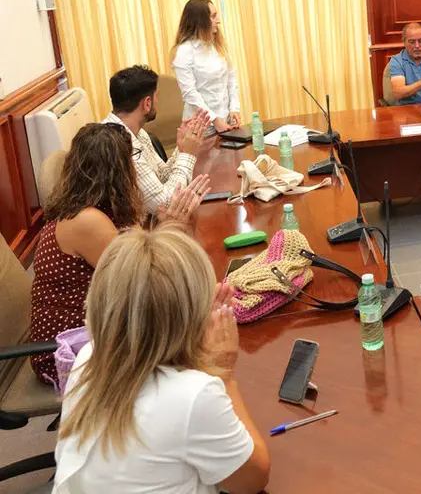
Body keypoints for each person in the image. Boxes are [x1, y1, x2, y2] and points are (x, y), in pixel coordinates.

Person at [53, 227, 270, 493]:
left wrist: (192, 332)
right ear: (189, 316)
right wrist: (225, 375)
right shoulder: (194, 396)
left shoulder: (88, 356)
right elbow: (252, 480)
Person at [29, 123, 208, 387]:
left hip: (105, 325)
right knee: (187, 329)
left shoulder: (102, 208)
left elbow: (137, 254)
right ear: (118, 169)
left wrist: (162, 227)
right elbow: (144, 279)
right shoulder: (86, 220)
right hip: (71, 348)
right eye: (132, 159)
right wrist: (172, 228)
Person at [105, 65, 212, 212]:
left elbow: (161, 176)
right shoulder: (119, 144)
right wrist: (188, 154)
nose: (158, 102)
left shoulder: (138, 133)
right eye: (157, 97)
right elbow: (165, 204)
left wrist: (182, 147)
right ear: (147, 103)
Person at [172, 0, 241, 133]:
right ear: (200, 20)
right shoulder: (184, 51)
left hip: (225, 121)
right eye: (213, 16)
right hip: (201, 127)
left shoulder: (217, 46)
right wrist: (215, 120)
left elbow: (231, 79)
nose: (218, 21)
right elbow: (190, 94)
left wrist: (234, 108)